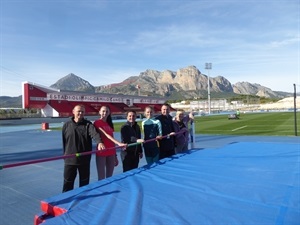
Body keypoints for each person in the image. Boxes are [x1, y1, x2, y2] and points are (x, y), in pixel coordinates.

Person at [62, 104, 105, 192]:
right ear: (73, 112)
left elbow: (94, 134)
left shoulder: (88, 124)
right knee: (67, 184)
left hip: (84, 160)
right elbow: (64, 142)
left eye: (82, 111)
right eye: (79, 111)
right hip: (70, 160)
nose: (81, 113)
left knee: (84, 185)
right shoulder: (66, 125)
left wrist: (100, 142)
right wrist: (65, 155)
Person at [93, 106, 126, 180]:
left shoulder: (109, 124)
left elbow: (111, 139)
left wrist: (115, 156)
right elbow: (106, 135)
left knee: (109, 177)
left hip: (111, 152)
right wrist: (119, 143)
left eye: (107, 111)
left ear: (109, 113)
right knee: (101, 178)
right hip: (102, 152)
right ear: (99, 112)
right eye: (103, 111)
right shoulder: (97, 122)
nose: (105, 113)